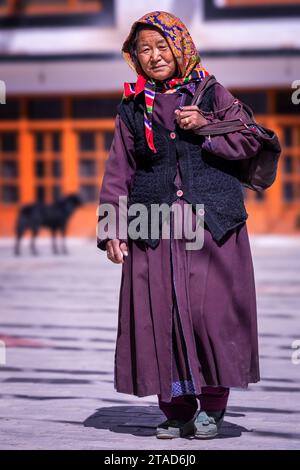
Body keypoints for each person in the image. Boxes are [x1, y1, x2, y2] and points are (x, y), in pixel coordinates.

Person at [97, 11, 262, 440]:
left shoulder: (212, 92)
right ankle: (175, 409)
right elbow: (120, 169)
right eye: (143, 50)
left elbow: (250, 138)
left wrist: (206, 126)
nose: (153, 56)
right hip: (152, 224)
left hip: (212, 225)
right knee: (160, 315)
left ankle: (212, 407)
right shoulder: (132, 106)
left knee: (209, 316)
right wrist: (113, 229)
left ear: (180, 45)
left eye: (160, 46)